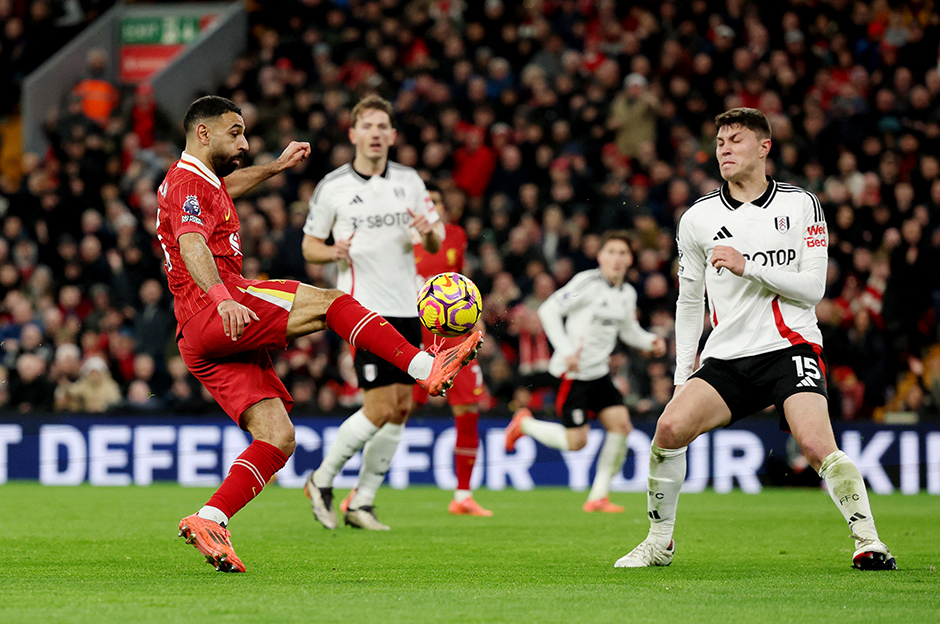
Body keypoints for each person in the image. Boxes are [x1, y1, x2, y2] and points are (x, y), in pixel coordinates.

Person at [162, 96, 482, 572]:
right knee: (332, 304)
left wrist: (275, 168)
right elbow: (191, 241)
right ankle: (425, 366)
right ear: (203, 133)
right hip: (221, 306)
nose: (244, 144)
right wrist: (223, 298)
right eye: (236, 133)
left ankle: (211, 517)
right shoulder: (189, 183)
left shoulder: (200, 182)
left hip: (197, 336)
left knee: (277, 437)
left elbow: (228, 187)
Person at [614, 108, 896, 570]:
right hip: (729, 356)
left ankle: (869, 540)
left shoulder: (800, 204)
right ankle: (658, 543)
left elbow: (814, 289)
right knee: (668, 429)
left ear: (764, 147)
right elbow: (689, 302)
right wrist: (684, 374)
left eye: (735, 140)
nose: (724, 148)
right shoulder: (698, 218)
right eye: (720, 141)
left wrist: (750, 265)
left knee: (815, 444)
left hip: (790, 347)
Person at [301, 95, 448, 531]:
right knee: (381, 405)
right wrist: (332, 251)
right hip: (363, 311)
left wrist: (428, 234)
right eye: (368, 126)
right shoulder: (333, 188)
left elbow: (437, 239)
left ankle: (361, 502)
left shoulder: (410, 182)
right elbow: (310, 247)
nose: (377, 133)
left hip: (409, 306)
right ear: (353, 134)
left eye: (384, 126)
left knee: (402, 407)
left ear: (394, 135)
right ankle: (321, 480)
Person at [504, 231, 666, 512]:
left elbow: (628, 330)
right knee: (576, 442)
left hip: (598, 373)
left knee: (621, 425)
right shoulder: (586, 283)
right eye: (611, 252)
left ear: (630, 259)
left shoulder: (626, 294)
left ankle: (598, 497)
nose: (616, 258)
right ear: (600, 256)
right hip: (573, 374)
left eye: (622, 253)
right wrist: (566, 350)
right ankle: (524, 424)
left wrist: (649, 341)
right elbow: (549, 310)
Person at [411, 182, 492, 517]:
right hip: (413, 336)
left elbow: (461, 283)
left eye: (438, 202)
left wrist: (476, 320)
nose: (433, 207)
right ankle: (360, 490)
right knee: (392, 411)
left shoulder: (456, 235)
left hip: (456, 338)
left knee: (467, 410)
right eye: (427, 201)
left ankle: (463, 495)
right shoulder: (401, 238)